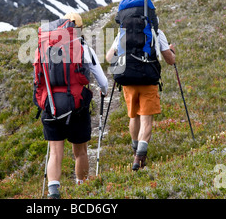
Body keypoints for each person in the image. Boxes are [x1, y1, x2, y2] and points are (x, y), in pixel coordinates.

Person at [41, 12, 108, 199]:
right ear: (78, 29)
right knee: (80, 152)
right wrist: (104, 91)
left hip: (51, 105)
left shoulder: (45, 47)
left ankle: (53, 191)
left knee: (55, 152)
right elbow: (102, 81)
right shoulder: (83, 47)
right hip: (76, 106)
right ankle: (82, 188)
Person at [106, 18, 175, 171]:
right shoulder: (156, 32)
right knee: (147, 120)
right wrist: (172, 51)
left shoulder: (122, 32)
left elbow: (109, 57)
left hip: (128, 79)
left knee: (134, 116)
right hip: (148, 80)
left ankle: (135, 149)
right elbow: (169, 60)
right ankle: (139, 157)